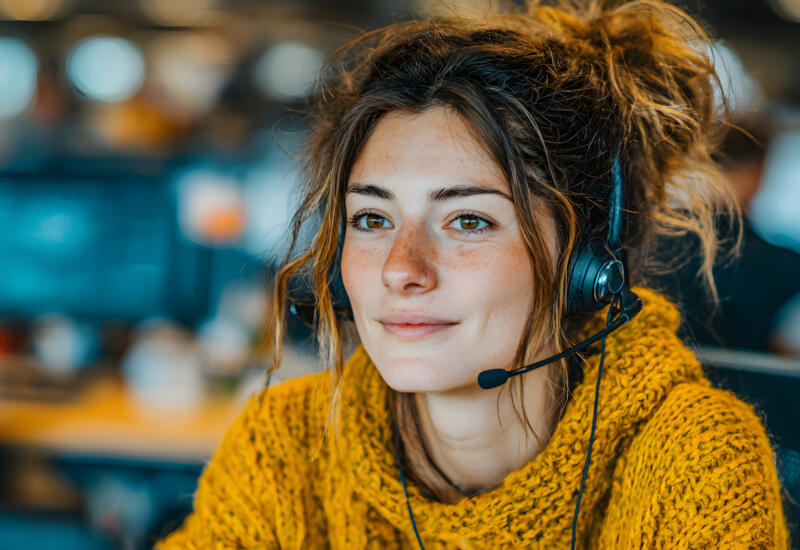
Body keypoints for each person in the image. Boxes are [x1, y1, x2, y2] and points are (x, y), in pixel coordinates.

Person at [156, 1, 791, 548]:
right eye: (372, 219)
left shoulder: (694, 466)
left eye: (468, 221)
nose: (401, 270)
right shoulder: (288, 443)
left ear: (584, 260)